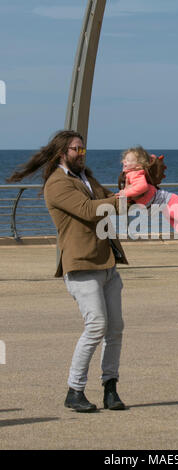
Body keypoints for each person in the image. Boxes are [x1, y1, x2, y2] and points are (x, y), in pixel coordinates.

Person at [7, 130, 128, 412]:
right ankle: (74, 390)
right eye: (77, 149)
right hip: (81, 265)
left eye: (84, 149)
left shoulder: (87, 178)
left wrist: (137, 189)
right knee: (96, 325)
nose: (82, 154)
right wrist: (122, 200)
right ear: (62, 153)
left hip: (107, 263)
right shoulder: (57, 183)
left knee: (116, 329)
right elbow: (88, 210)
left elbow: (111, 201)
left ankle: (110, 388)